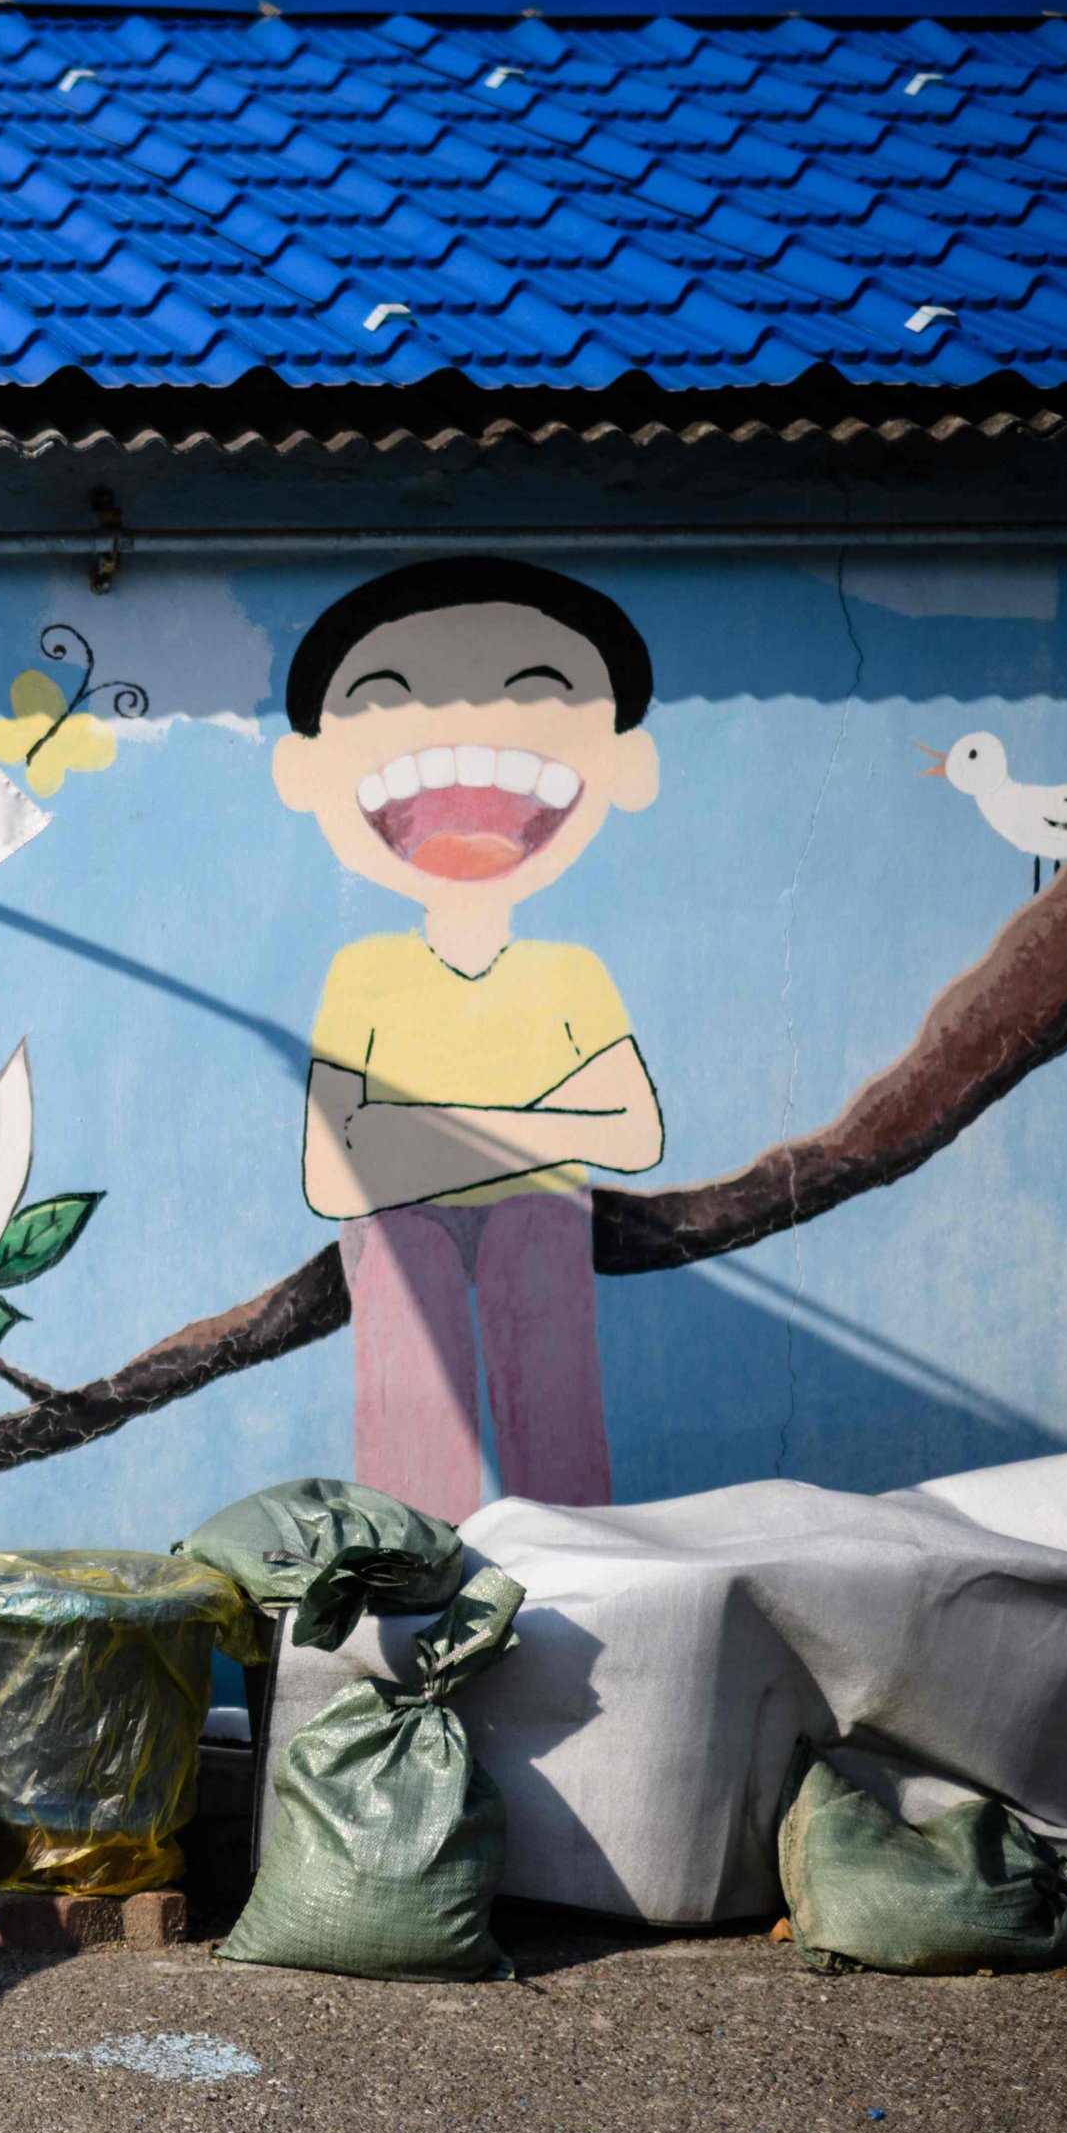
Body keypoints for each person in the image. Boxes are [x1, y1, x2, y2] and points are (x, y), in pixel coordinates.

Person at [267, 558, 668, 1520]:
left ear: (629, 765)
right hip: (402, 1234)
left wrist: (413, 1135)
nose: (466, 724)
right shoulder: (362, 972)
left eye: (539, 695)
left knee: (539, 1257)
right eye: (383, 698)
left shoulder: (568, 973)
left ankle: (579, 1583)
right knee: (403, 1271)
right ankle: (408, 1581)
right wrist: (542, 1126)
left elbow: (635, 1135)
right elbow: (332, 1176)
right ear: (301, 774)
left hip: (539, 1229)